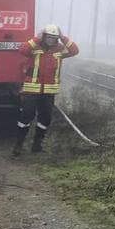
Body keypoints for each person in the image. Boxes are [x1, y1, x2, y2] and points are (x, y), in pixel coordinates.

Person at [13, 23, 79, 155]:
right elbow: (22, 50)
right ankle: (18, 145)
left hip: (48, 91)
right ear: (44, 36)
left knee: (46, 119)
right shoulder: (35, 46)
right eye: (48, 37)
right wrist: (37, 38)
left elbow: (74, 51)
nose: (50, 39)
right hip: (31, 90)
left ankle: (37, 146)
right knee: (27, 116)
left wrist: (63, 37)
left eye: (53, 37)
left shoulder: (60, 49)